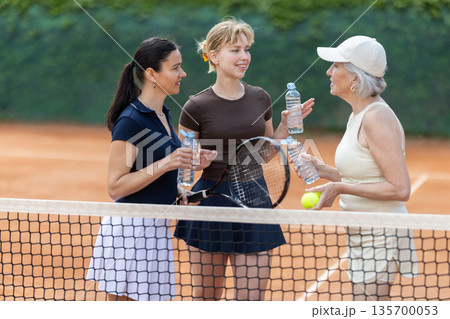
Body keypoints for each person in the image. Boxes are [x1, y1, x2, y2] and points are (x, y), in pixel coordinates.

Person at [174, 18, 315, 300]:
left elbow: (265, 152)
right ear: (213, 56)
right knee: (206, 299)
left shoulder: (260, 98)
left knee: (251, 303)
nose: (244, 56)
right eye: (235, 50)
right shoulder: (195, 106)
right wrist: (188, 175)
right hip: (210, 202)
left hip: (256, 199)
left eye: (247, 49)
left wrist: (284, 129)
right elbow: (183, 162)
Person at [86, 37, 216, 301]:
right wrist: (167, 163)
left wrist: (186, 174)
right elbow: (115, 186)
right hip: (131, 230)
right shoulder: (131, 120)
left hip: (156, 227)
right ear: (151, 74)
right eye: (175, 67)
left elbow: (157, 176)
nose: (183, 73)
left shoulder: (163, 114)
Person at [301, 35, 418, 300]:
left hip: (381, 233)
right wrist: (324, 169)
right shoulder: (358, 113)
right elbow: (364, 174)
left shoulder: (377, 117)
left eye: (336, 66)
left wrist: (339, 187)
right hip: (362, 231)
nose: (329, 71)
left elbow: (400, 188)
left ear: (355, 78)